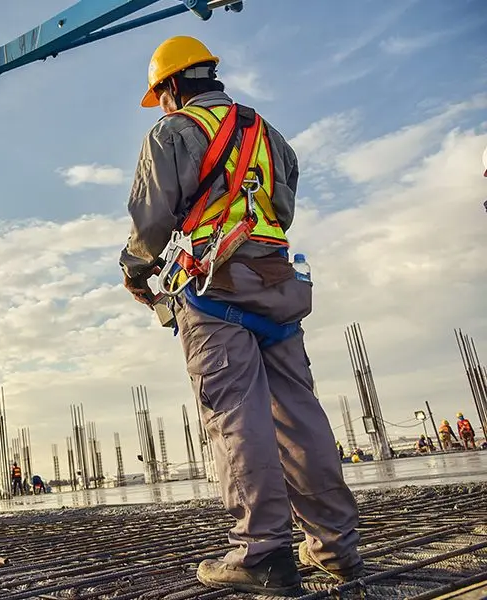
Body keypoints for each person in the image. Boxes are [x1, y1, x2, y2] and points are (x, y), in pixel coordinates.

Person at [119, 36, 363, 594]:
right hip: (276, 282)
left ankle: (264, 553)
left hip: (212, 288)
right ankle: (337, 548)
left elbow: (151, 221)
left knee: (235, 415)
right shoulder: (269, 135)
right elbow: (281, 208)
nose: (159, 104)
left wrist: (134, 271)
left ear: (173, 85)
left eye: (159, 94)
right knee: (299, 416)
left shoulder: (172, 132)